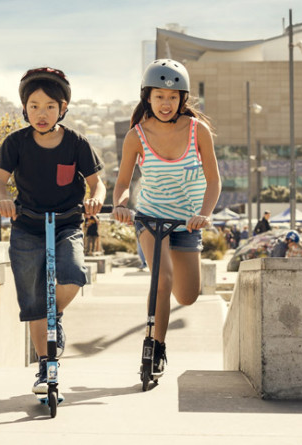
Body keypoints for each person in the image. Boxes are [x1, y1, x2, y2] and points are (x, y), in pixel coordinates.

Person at [0, 67, 105, 394]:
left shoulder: (76, 143)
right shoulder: (15, 143)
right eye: (35, 106)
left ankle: (51, 315)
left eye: (50, 106)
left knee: (73, 274)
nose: (42, 113)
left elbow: (98, 184)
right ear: (24, 108)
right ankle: (45, 366)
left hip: (66, 222)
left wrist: (95, 200)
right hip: (27, 225)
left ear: (63, 108)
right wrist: (3, 200)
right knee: (32, 298)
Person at [111, 59, 221, 378]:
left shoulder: (198, 131)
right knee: (162, 280)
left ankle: (169, 274)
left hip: (188, 222)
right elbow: (122, 183)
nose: (165, 103)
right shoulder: (137, 136)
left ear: (182, 99)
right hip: (150, 217)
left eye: (172, 97)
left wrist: (204, 214)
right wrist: (119, 205)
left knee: (187, 296)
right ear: (147, 97)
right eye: (159, 96)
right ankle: (155, 347)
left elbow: (214, 180)